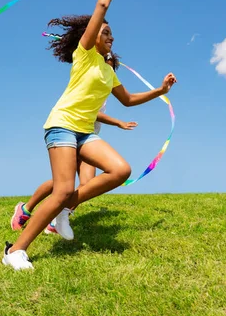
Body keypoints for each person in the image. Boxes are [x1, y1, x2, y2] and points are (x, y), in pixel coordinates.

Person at [3, 0, 177, 270]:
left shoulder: (109, 72)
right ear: (92, 35)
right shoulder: (84, 54)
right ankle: (15, 250)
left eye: (112, 34)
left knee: (120, 170)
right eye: (105, 32)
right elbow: (101, 4)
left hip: (84, 132)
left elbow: (128, 100)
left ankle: (64, 212)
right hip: (61, 126)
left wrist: (160, 92)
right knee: (62, 189)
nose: (111, 37)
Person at [10, 55, 137, 239]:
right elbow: (93, 114)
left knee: (86, 184)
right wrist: (118, 122)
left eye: (110, 67)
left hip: (87, 139)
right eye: (104, 63)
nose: (106, 68)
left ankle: (58, 218)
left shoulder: (104, 91)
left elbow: (127, 99)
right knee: (61, 185)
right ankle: (25, 209)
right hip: (68, 132)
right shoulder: (89, 81)